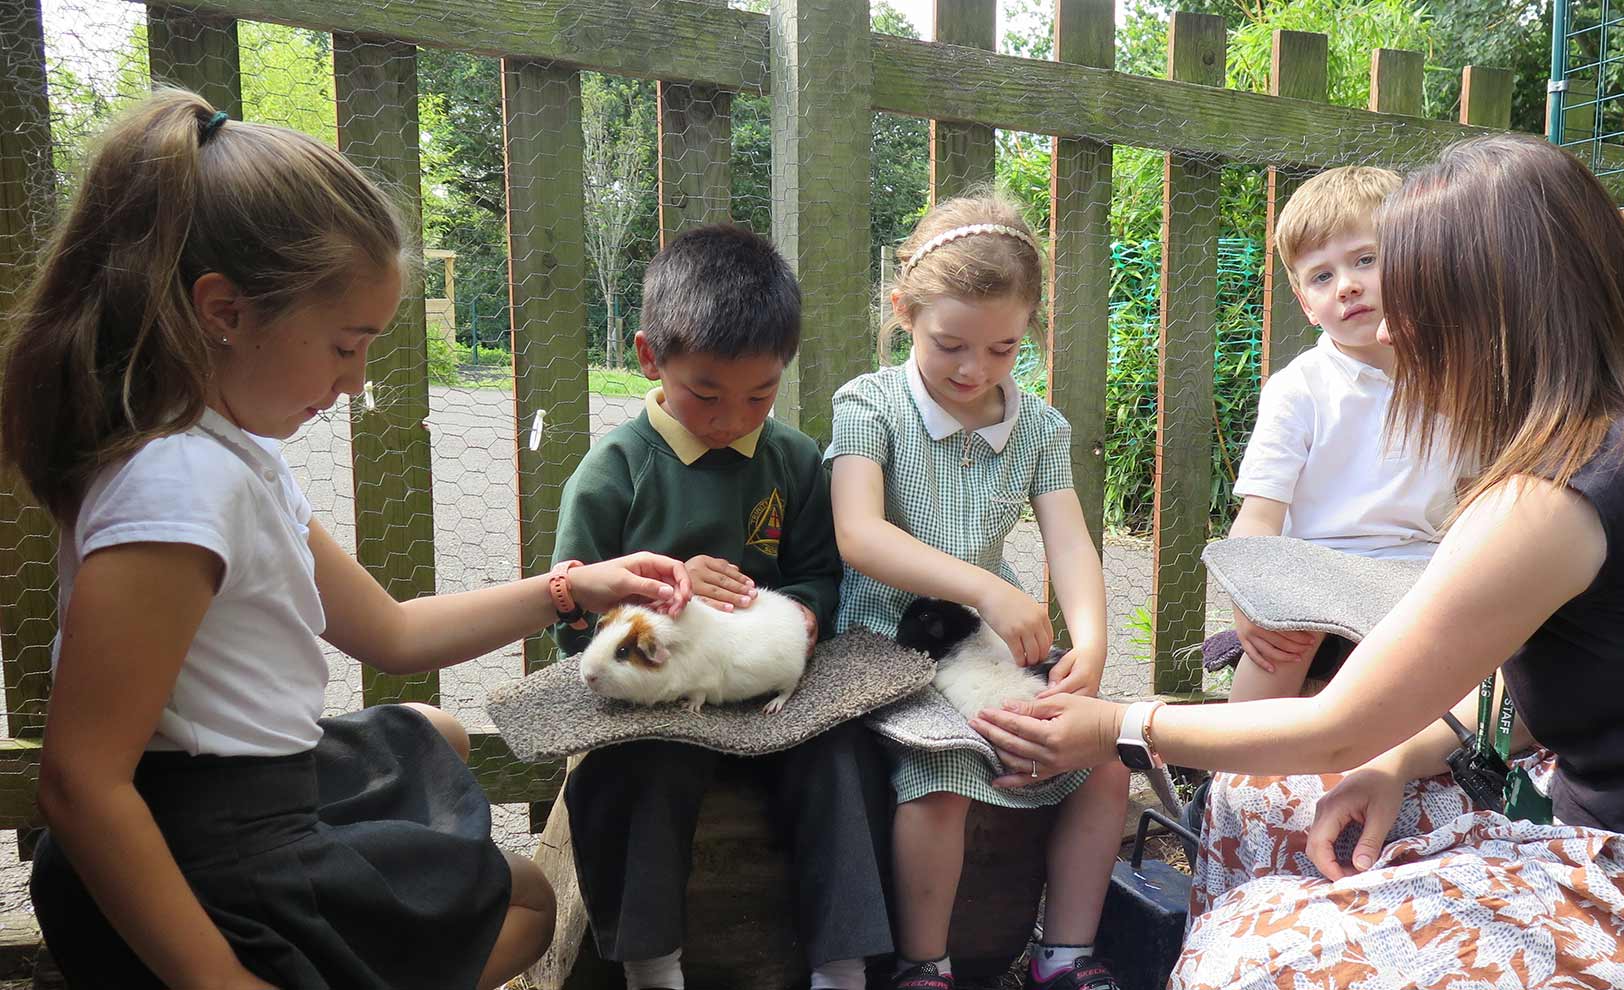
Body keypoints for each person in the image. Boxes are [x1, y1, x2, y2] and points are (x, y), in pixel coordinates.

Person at [970, 134, 1624, 989]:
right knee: (1262, 807)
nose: (1392, 323)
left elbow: (1337, 729)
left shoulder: (1560, 490)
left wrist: (1118, 725)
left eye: (1410, 296)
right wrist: (1396, 766)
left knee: (1246, 962)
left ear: (1482, 308)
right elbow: (1539, 690)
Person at [6, 88, 692, 990]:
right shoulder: (179, 489)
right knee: (526, 903)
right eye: (344, 345)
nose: (358, 379)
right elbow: (80, 784)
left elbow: (392, 633)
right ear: (224, 310)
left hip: (237, 786)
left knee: (435, 732)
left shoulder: (226, 452)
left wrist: (572, 587)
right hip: (209, 841)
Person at [552, 224, 894, 990]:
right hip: (664, 704)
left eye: (760, 395)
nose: (731, 417)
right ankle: (653, 967)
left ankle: (843, 969)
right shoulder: (613, 473)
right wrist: (656, 590)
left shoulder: (793, 460)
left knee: (845, 757)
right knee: (630, 774)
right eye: (706, 393)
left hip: (768, 687)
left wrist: (802, 614)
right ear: (650, 357)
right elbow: (572, 622)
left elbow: (820, 576)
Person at [828, 194, 1131, 990]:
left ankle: (1064, 957)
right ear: (904, 312)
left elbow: (1071, 543)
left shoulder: (1039, 427)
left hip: (986, 649)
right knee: (946, 771)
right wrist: (987, 589)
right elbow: (859, 534)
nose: (974, 370)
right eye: (950, 345)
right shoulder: (870, 404)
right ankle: (925, 967)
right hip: (890, 646)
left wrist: (1092, 644)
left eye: (1003, 349)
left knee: (1102, 763)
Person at [1214, 165, 1462, 701]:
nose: (1346, 285)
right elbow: (1259, 516)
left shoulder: (1458, 381)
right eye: (1321, 277)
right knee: (1284, 637)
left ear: (1415, 263)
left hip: (1425, 568)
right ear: (1305, 303)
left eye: (1366, 260)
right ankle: (1235, 748)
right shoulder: (1300, 388)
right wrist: (1250, 604)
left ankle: (1449, 746)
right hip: (1319, 567)